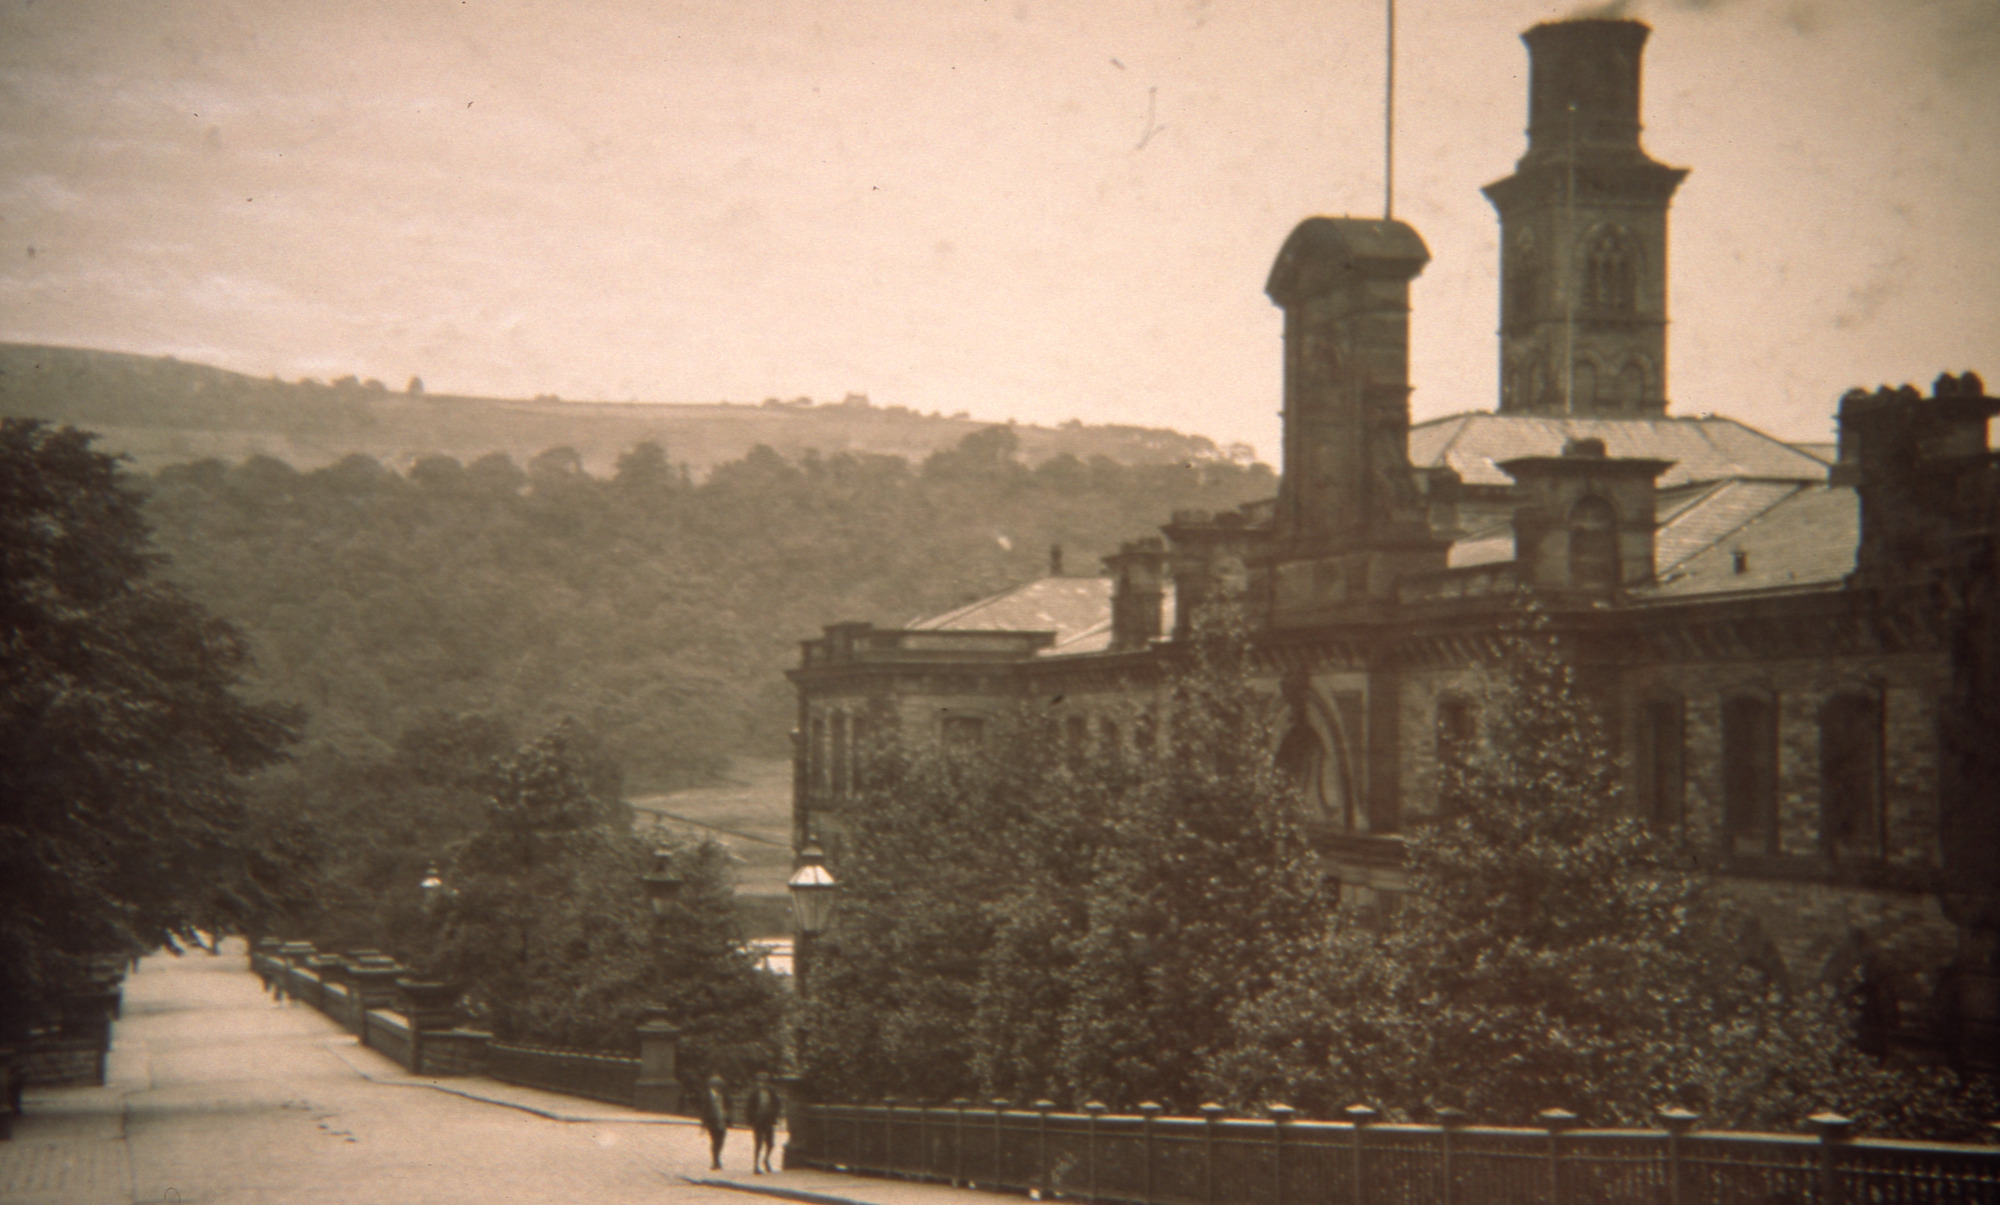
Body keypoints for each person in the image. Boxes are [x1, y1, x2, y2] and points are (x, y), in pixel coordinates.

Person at [746, 1072, 782, 1174]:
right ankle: (756, 1165)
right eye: (761, 1081)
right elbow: (749, 1107)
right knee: (758, 1144)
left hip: (768, 1120)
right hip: (758, 1121)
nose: (763, 1083)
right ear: (757, 1082)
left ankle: (766, 1160)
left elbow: (777, 1104)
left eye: (765, 1081)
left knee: (770, 1144)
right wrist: (751, 1120)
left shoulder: (771, 1092)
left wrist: (775, 1115)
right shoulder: (754, 1093)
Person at [699, 1074, 731, 1171]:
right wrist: (704, 1123)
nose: (717, 1088)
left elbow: (729, 1106)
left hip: (722, 1120)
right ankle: (715, 1160)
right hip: (712, 1121)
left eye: (719, 1086)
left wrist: (728, 1116)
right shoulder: (707, 1096)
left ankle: (717, 1158)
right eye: (715, 1086)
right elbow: (704, 1110)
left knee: (721, 1141)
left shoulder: (724, 1095)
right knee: (714, 1141)